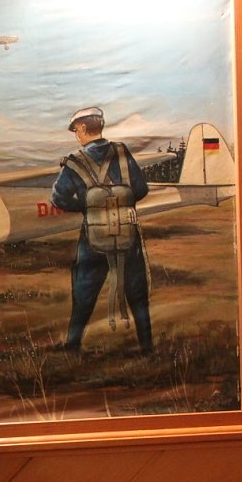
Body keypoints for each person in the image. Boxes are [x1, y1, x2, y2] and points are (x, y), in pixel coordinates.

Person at [50, 106, 153, 352]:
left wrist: (88, 208)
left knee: (84, 291)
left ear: (84, 128)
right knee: (137, 292)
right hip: (128, 233)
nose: (76, 134)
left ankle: (72, 345)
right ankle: (147, 347)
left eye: (76, 130)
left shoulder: (74, 162)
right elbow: (141, 189)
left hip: (93, 237)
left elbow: (58, 198)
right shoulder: (122, 152)